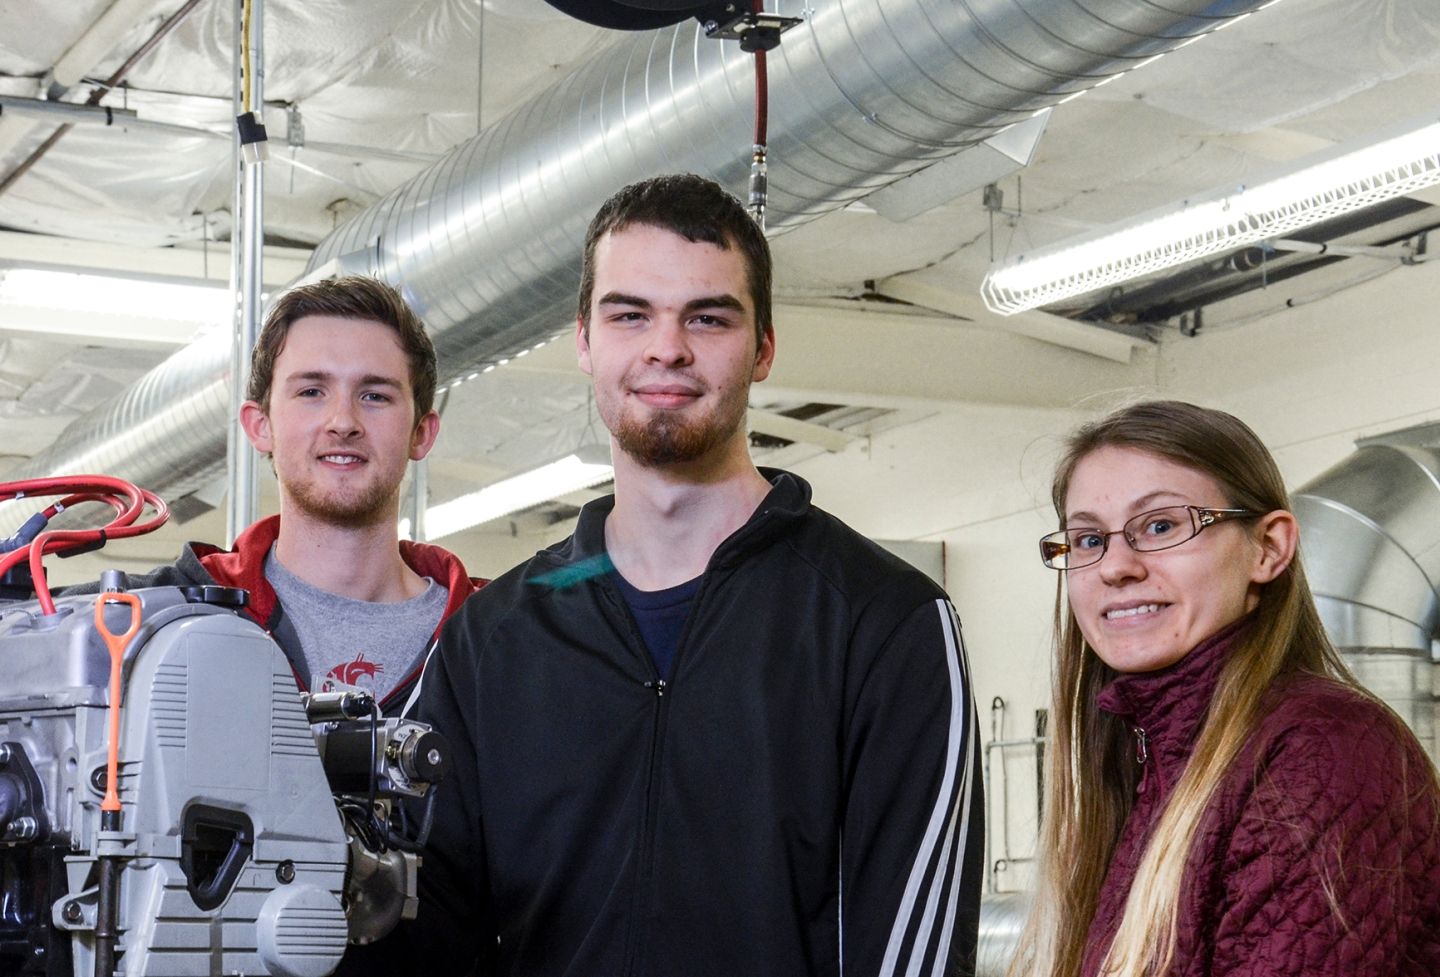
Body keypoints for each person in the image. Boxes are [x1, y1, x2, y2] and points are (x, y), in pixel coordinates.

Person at [414, 174, 985, 976]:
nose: (667, 348)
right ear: (584, 340)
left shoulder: (884, 622)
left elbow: (913, 955)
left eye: (707, 317)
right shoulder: (491, 637)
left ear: (764, 346)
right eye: (629, 314)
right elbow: (432, 932)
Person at [1010, 400, 1440, 977]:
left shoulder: (1324, 750)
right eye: (1088, 540)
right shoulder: (1143, 763)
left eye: (1160, 525)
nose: (1115, 567)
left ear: (1268, 548)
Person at [72, 275, 482, 717]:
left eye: (375, 395)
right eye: (311, 392)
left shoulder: (502, 635)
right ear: (259, 426)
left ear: (421, 433)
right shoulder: (152, 618)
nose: (343, 421)